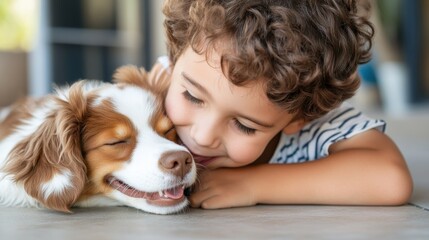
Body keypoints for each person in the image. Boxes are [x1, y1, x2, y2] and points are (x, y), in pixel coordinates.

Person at [146, 0, 413, 209]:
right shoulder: (159, 84)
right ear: (175, 57)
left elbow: (390, 178)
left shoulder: (312, 121)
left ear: (300, 119)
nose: (202, 136)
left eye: (244, 125)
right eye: (192, 97)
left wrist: (253, 184)